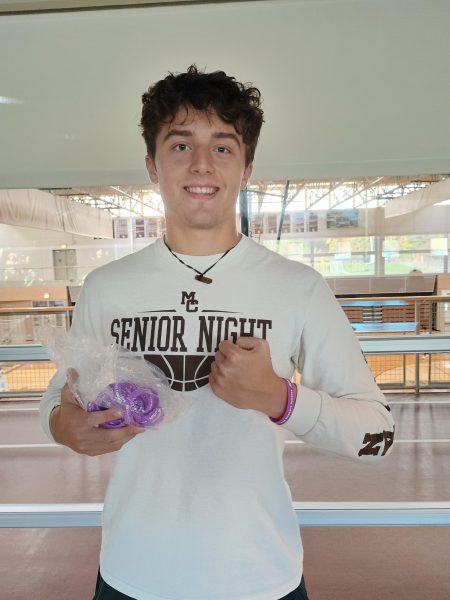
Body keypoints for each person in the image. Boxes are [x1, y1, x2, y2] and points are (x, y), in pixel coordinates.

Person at [40, 65, 395, 600]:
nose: (201, 164)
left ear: (247, 167)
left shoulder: (298, 288)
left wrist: (281, 398)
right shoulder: (107, 287)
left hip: (259, 576)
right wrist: (66, 426)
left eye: (223, 147)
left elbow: (378, 435)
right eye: (180, 145)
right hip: (133, 571)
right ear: (151, 166)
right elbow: (57, 399)